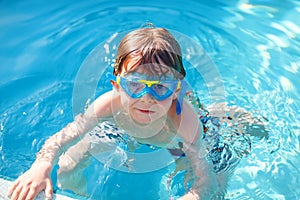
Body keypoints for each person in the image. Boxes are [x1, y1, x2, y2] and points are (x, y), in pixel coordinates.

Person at [8, 24, 267, 200]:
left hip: (174, 142)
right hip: (122, 128)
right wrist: (40, 166)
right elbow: (60, 138)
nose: (147, 98)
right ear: (116, 85)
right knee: (67, 164)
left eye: (161, 88)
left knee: (216, 185)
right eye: (134, 85)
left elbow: (206, 182)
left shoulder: (185, 121)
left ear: (176, 90)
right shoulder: (109, 104)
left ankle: (225, 114)